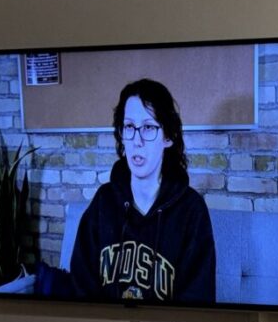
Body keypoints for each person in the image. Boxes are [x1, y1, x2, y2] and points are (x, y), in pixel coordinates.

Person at [70, 78, 216, 303]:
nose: (137, 140)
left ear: (168, 137)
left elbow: (197, 301)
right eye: (129, 127)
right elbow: (81, 289)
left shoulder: (191, 210)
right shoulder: (103, 202)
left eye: (148, 127)